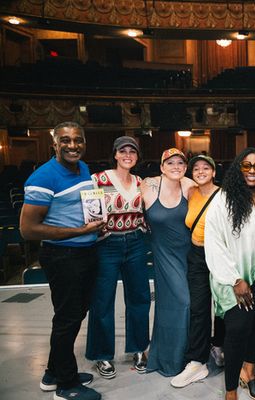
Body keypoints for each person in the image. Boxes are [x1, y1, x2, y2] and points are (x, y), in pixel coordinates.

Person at [20, 121, 103, 400]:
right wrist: (79, 231)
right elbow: (28, 229)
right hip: (62, 256)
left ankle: (54, 373)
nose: (72, 145)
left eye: (77, 140)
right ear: (54, 143)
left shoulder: (83, 168)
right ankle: (66, 386)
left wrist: (94, 225)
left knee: (74, 315)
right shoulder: (42, 178)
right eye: (65, 140)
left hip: (85, 251)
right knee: (67, 320)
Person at [204, 147, 255, 400]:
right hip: (235, 279)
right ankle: (230, 391)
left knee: (252, 327)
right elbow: (213, 242)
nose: (252, 171)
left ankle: (250, 373)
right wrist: (235, 279)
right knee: (237, 332)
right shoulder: (224, 199)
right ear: (238, 168)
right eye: (246, 166)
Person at [85, 136, 151, 379]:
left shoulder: (140, 181)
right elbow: (89, 215)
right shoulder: (98, 179)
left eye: (132, 151)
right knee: (102, 301)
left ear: (137, 156)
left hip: (135, 242)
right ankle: (102, 355)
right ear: (115, 154)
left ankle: (138, 349)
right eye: (122, 151)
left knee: (140, 298)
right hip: (107, 244)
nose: (127, 155)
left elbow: (145, 212)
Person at [170, 154, 225, 388]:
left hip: (219, 254)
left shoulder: (224, 195)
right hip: (196, 255)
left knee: (223, 305)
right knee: (199, 307)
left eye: (206, 167)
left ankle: (220, 344)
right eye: (196, 168)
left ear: (214, 172)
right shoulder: (191, 192)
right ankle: (197, 361)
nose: (201, 171)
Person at [141, 148, 195, 377]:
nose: (175, 166)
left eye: (180, 163)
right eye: (170, 163)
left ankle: (181, 354)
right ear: (162, 167)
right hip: (163, 254)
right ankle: (171, 359)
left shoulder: (190, 186)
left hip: (189, 254)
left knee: (185, 305)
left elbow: (216, 194)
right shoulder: (148, 185)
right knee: (181, 302)